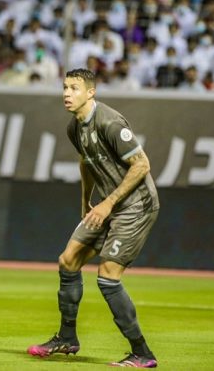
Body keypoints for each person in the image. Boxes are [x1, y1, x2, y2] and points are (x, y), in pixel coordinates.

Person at [28, 68, 159, 368]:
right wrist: (87, 201)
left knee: (108, 277)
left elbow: (142, 165)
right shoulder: (74, 128)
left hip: (135, 206)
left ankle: (143, 353)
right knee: (68, 260)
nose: (66, 94)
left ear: (91, 92)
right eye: (64, 87)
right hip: (106, 205)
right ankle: (67, 338)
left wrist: (108, 204)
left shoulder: (110, 122)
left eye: (74, 88)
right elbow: (85, 162)